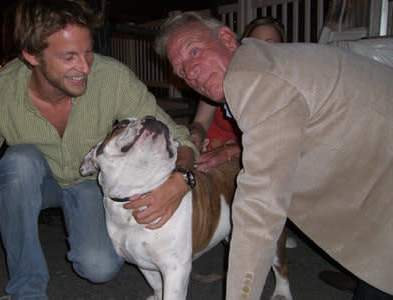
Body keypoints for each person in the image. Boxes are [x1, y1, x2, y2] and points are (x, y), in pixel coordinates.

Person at [0, 1, 197, 299]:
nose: (86, 67)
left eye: (88, 51)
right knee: (19, 162)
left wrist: (181, 178)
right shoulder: (0, 96)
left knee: (99, 266)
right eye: (69, 56)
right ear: (32, 55)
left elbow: (175, 133)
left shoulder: (111, 77)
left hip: (89, 185)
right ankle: (27, 289)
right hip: (37, 180)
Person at [154, 11, 393, 300]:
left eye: (194, 51)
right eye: (180, 70)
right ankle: (365, 274)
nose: (190, 72)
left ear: (228, 40)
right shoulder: (257, 62)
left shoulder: (252, 79)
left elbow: (260, 210)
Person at [190, 16, 286, 172]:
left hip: (249, 153)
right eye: (255, 43)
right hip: (211, 146)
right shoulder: (221, 79)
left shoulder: (284, 90)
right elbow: (200, 123)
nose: (261, 50)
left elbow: (276, 144)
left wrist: (232, 150)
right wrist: (195, 136)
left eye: (269, 44)